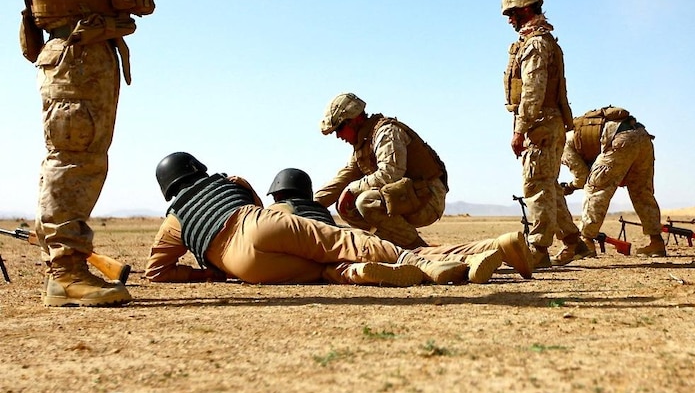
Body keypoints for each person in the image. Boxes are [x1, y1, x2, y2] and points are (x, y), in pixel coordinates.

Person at [22, 0, 237, 307]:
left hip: (92, 55)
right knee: (73, 161)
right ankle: (66, 273)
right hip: (73, 56)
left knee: (85, 161)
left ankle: (69, 265)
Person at [145, 153, 490, 287]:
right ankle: (427, 265)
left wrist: (206, 273)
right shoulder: (227, 181)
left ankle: (357, 274)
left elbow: (156, 274)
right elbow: (259, 209)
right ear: (195, 169)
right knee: (345, 243)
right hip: (258, 223)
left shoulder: (173, 220)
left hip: (244, 267)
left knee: (322, 271)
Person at [267, 167, 532, 279]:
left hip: (341, 254)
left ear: (278, 195)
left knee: (411, 259)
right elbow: (340, 180)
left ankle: (469, 263)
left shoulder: (275, 214)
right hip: (355, 240)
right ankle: (493, 246)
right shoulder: (317, 213)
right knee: (416, 253)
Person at [502, 0, 591, 268]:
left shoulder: (536, 44)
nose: (510, 19)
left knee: (536, 186)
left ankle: (538, 249)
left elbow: (532, 90)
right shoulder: (540, 41)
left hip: (540, 123)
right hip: (546, 122)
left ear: (527, 9)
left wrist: (520, 129)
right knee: (549, 186)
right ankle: (574, 242)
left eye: (513, 12)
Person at [315, 93, 448, 250]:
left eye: (340, 129)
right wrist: (309, 204)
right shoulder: (363, 144)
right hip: (407, 197)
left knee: (366, 201)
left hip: (429, 199)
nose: (338, 136)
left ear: (355, 119)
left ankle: (419, 250)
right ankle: (391, 246)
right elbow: (342, 179)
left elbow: (390, 174)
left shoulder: (387, 133)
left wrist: (352, 190)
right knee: (345, 206)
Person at [561, 106, 666, 257]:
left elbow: (582, 177)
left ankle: (587, 242)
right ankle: (656, 242)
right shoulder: (574, 132)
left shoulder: (563, 144)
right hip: (642, 136)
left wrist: (569, 187)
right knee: (642, 192)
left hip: (620, 139)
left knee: (595, 189)